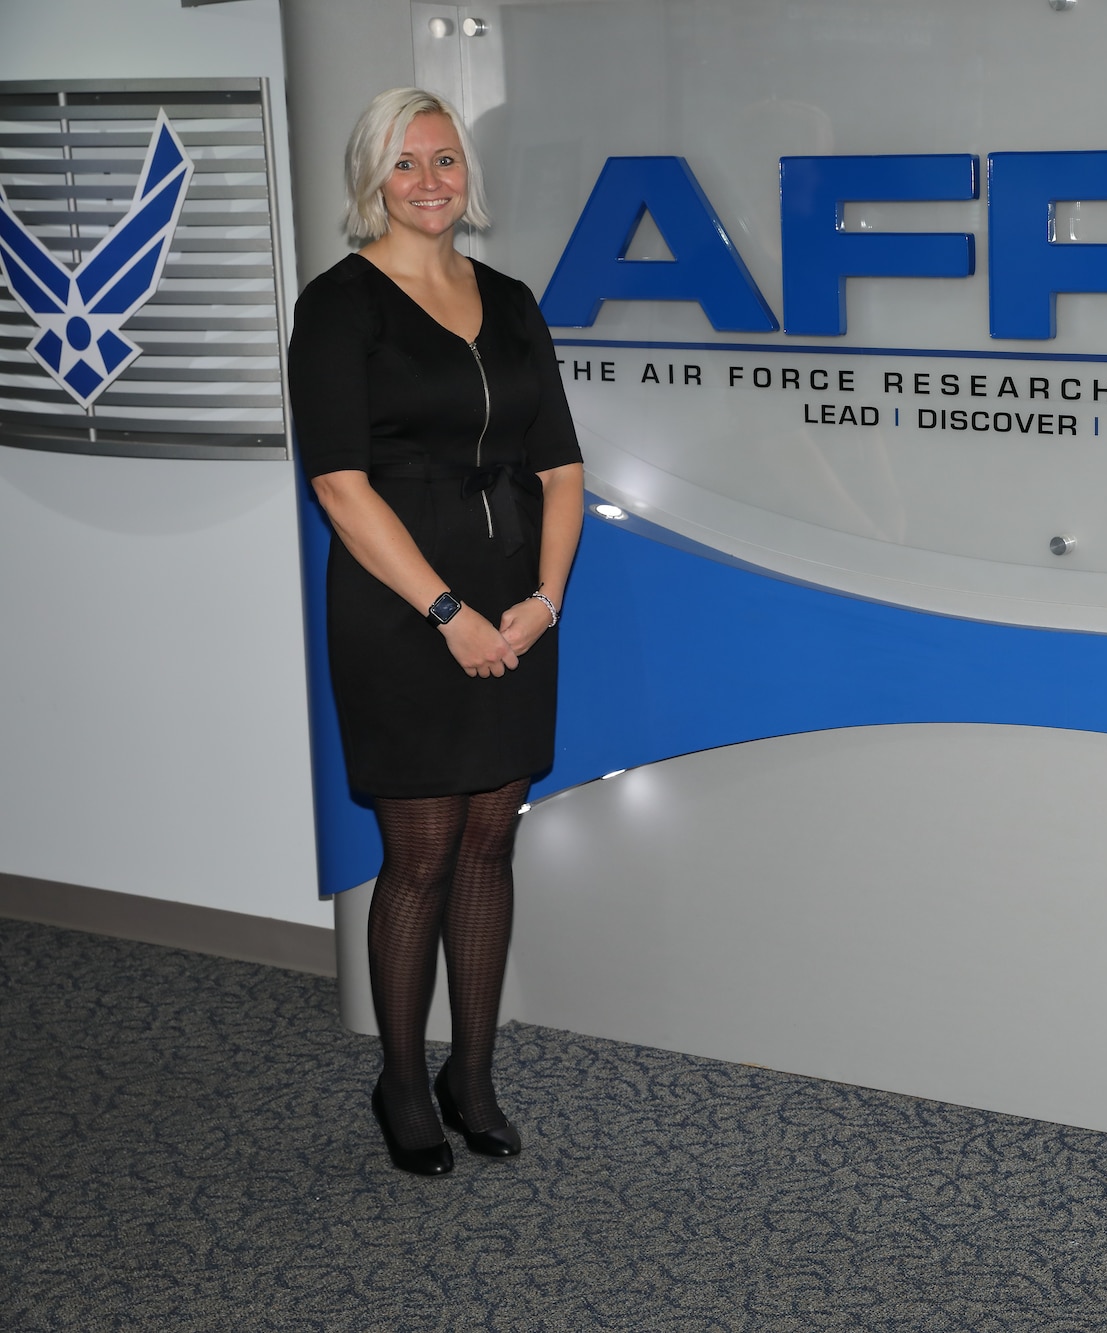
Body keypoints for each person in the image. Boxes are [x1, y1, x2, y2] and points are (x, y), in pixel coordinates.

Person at [289, 89, 585, 1176]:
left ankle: (474, 1071)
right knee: (416, 855)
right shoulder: (340, 305)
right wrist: (449, 613)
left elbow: (560, 466)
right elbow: (338, 486)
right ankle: (403, 1080)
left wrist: (541, 601)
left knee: (491, 841)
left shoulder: (508, 299)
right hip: (400, 609)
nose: (429, 181)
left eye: (446, 161)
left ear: (469, 175)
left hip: (516, 604)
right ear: (372, 176)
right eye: (406, 162)